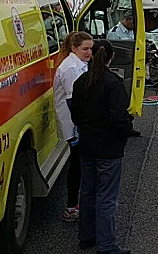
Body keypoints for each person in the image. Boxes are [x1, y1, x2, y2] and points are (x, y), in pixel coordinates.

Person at [71, 39, 134, 254]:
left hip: (87, 145)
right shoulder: (113, 83)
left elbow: (76, 115)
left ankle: (87, 236)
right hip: (109, 148)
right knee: (107, 196)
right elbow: (119, 119)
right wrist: (126, 131)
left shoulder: (81, 81)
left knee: (87, 191)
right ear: (111, 57)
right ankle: (107, 246)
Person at [53, 31, 93, 223]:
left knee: (79, 165)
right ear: (74, 48)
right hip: (73, 124)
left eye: (91, 49)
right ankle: (71, 207)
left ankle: (75, 204)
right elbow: (72, 102)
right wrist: (81, 128)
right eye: (85, 49)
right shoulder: (70, 68)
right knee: (77, 166)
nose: (89, 53)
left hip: (76, 122)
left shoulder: (78, 64)